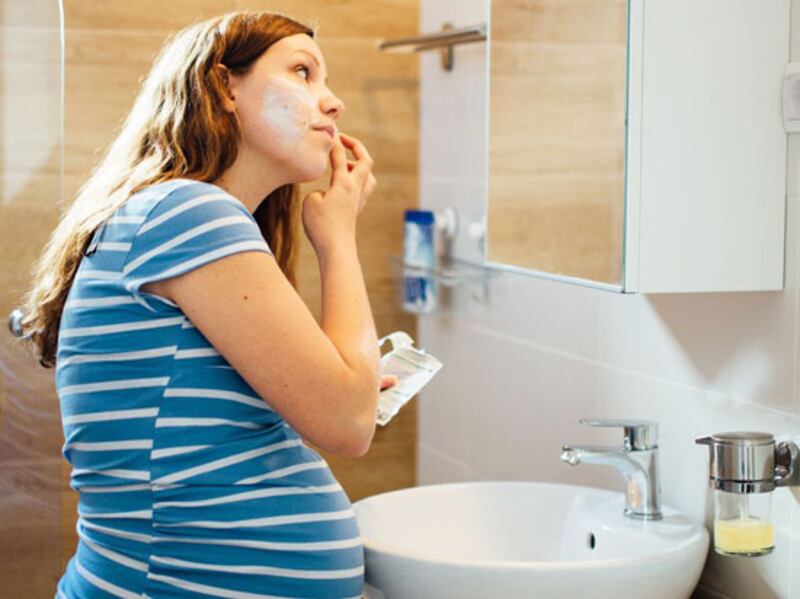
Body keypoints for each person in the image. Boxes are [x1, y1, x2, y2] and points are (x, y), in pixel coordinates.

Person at [14, 10, 396, 598]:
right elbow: (347, 425)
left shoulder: (177, 215)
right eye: (303, 72)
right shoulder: (189, 212)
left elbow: (224, 430)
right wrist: (338, 238)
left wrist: (349, 382)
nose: (333, 101)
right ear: (224, 87)